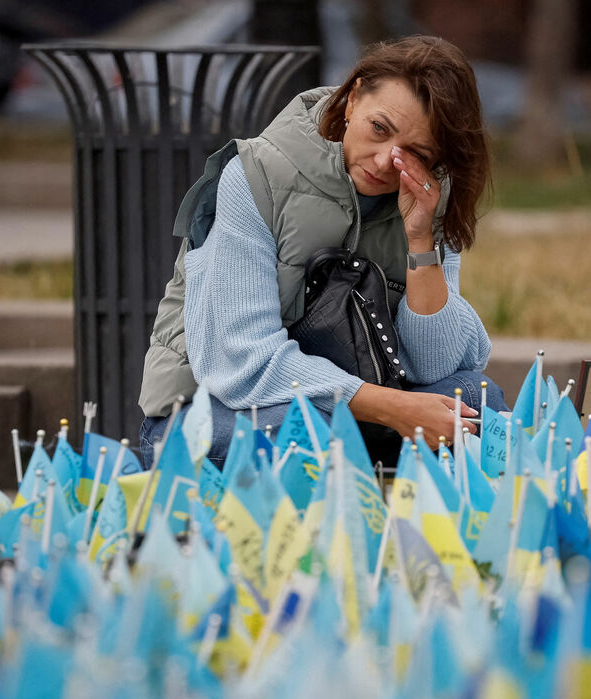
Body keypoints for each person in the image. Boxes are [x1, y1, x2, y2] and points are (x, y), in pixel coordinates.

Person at [137, 35, 507, 469]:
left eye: (416, 152)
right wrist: (395, 409)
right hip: (213, 410)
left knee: (477, 401)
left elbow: (435, 365)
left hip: (347, 412)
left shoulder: (428, 198)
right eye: (380, 129)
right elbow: (243, 363)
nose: (389, 161)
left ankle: (415, 524)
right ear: (352, 100)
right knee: (309, 438)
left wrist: (421, 240)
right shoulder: (254, 178)